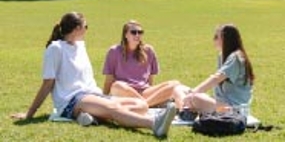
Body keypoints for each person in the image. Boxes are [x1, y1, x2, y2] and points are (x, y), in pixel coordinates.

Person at [11, 12, 175, 138]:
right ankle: (154, 124)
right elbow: (47, 84)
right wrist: (30, 113)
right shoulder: (55, 49)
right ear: (77, 29)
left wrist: (101, 95)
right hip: (72, 100)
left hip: (91, 94)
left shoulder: (80, 46)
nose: (87, 29)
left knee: (141, 105)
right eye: (86, 26)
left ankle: (91, 116)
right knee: (113, 108)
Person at [175, 24, 255, 115]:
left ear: (226, 39)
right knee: (179, 89)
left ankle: (185, 112)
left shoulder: (236, 58)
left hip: (233, 109)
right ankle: (185, 111)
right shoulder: (222, 55)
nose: (214, 40)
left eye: (216, 37)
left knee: (195, 98)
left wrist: (194, 92)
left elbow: (217, 78)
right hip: (220, 103)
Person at [102, 20, 181, 108]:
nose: (137, 35)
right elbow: (109, 80)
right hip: (124, 92)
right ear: (125, 35)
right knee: (117, 85)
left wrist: (152, 93)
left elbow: (150, 80)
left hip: (144, 92)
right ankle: (152, 103)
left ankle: (144, 104)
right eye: (133, 32)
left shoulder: (148, 51)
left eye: (140, 32)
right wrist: (104, 99)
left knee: (175, 84)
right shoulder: (114, 51)